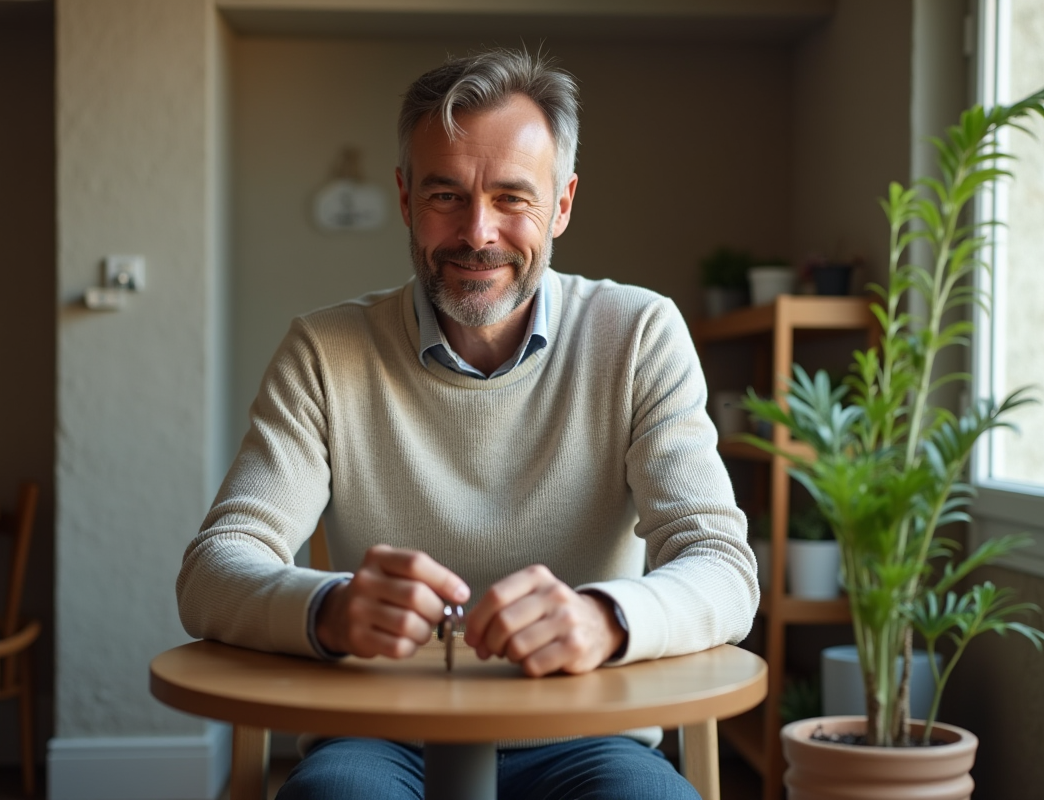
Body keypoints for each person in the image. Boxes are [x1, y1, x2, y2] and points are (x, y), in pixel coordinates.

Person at [176, 46, 758, 800]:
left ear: (563, 203)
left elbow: (722, 563)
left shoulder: (640, 333)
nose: (477, 233)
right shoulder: (324, 349)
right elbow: (213, 569)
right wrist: (328, 608)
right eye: (446, 195)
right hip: (378, 738)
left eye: (513, 197)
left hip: (589, 737)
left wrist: (606, 619)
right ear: (405, 198)